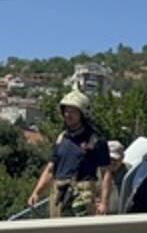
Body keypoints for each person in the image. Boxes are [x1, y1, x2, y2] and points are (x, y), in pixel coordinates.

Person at [27, 89, 113, 218]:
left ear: (83, 113)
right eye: (66, 111)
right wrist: (37, 192)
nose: (68, 114)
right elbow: (51, 169)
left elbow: (106, 172)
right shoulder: (62, 138)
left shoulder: (95, 140)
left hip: (81, 196)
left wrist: (104, 202)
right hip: (59, 195)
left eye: (73, 111)